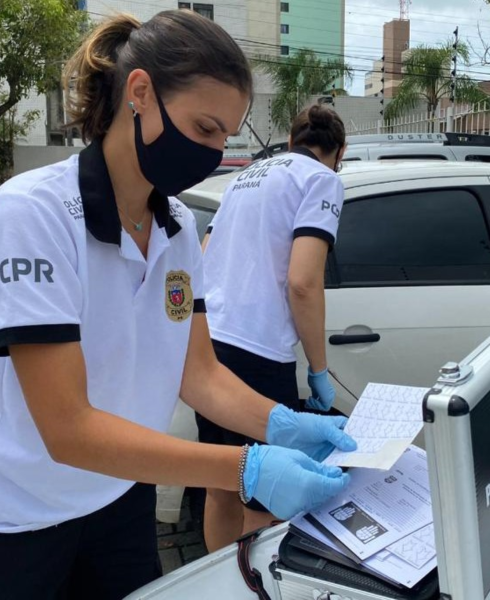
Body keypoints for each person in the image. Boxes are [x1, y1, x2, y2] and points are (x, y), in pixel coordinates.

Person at [0, 11, 356, 600]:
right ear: (139, 93)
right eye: (205, 128)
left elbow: (199, 373)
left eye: (226, 136)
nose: (215, 151)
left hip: (121, 497)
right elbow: (68, 429)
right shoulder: (31, 216)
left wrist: (285, 425)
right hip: (24, 519)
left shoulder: (177, 228)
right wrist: (248, 467)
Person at [198, 104, 347, 550]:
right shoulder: (322, 180)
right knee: (263, 502)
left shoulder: (245, 178)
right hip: (258, 353)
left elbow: (205, 252)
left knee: (220, 480)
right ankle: (251, 585)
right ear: (339, 151)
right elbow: (303, 282)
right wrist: (318, 371)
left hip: (208, 344)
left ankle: (220, 587)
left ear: (290, 141)